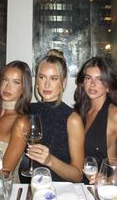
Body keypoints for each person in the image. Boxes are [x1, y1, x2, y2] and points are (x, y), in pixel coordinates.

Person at [74, 56, 117, 184]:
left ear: (109, 86)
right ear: (83, 82)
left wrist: (107, 180)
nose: (92, 84)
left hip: (104, 188)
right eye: (88, 78)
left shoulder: (116, 116)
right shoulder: (79, 112)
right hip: (79, 184)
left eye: (100, 79)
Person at [27, 49, 85, 182]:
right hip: (29, 187)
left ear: (63, 83)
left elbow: (78, 175)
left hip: (59, 189)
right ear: (37, 82)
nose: (47, 84)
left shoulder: (72, 119)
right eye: (42, 77)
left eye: (54, 78)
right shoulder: (28, 110)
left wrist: (50, 160)